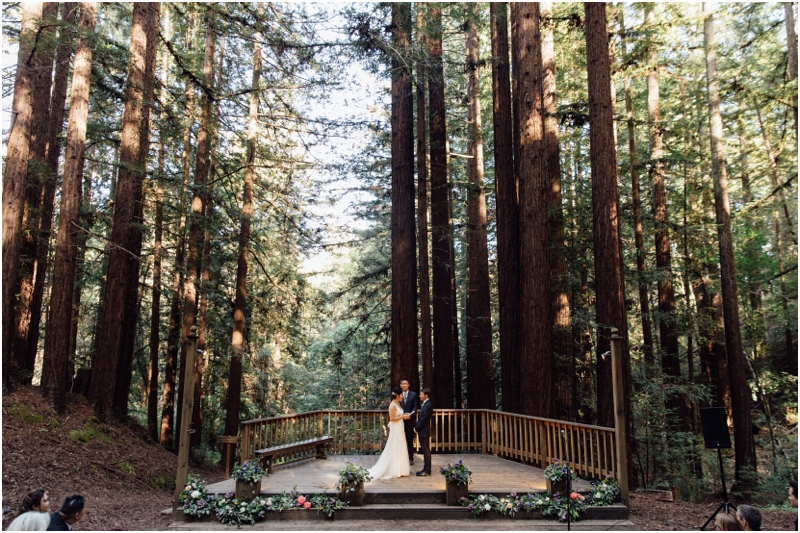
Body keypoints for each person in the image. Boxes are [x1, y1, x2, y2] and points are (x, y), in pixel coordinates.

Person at [367, 388, 411, 480]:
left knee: (401, 446)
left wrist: (403, 415)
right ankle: (394, 469)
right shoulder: (392, 405)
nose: (402, 396)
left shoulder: (398, 404)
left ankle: (401, 469)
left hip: (400, 427)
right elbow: (392, 418)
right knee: (395, 446)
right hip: (396, 429)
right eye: (401, 395)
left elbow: (398, 415)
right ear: (398, 395)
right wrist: (403, 416)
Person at [399, 379, 419, 466]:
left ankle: (410, 458)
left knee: (410, 440)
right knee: (400, 439)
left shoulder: (413, 394)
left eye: (406, 384)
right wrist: (402, 415)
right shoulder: (398, 395)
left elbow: (415, 407)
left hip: (410, 421)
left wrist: (410, 415)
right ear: (400, 385)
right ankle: (401, 457)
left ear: (409, 385)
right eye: (402, 384)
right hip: (400, 420)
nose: (404, 385)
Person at [413, 388, 432, 477]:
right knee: (424, 450)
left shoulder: (428, 405)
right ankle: (425, 468)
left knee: (426, 450)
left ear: (426, 395)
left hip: (424, 430)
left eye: (421, 394)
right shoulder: (426, 404)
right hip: (422, 430)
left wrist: (416, 427)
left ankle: (427, 470)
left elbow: (424, 419)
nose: (420, 396)